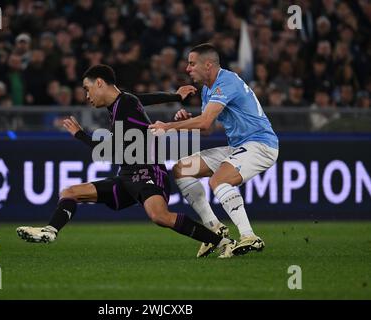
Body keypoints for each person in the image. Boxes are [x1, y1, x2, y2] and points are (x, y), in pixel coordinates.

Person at [17, 64, 237, 258]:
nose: (86, 95)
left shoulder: (124, 106)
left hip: (148, 172)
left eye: (87, 89)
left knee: (160, 216)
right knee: (69, 192)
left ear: (100, 83)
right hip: (127, 176)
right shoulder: (123, 102)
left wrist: (80, 135)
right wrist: (175, 96)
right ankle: (50, 231)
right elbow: (142, 99)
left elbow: (111, 149)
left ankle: (221, 242)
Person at [149, 43, 279, 257]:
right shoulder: (208, 90)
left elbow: (205, 121)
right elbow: (206, 129)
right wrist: (189, 120)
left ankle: (249, 236)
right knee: (182, 169)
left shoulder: (226, 81)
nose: (187, 69)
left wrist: (168, 127)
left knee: (218, 180)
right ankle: (214, 228)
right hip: (239, 146)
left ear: (208, 65)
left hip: (260, 144)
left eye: (192, 64)